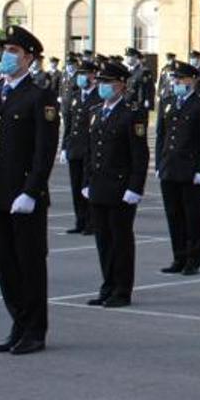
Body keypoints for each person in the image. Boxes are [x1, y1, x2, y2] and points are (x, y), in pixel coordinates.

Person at [0, 26, 60, 355]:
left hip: (23, 195)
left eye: (13, 51)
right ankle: (17, 323)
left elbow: (44, 150)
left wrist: (32, 191)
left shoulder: (40, 96)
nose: (6, 56)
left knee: (30, 263)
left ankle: (35, 330)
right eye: (4, 50)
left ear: (29, 58)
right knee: (5, 264)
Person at [82, 62, 149, 308]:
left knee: (120, 240)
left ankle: (122, 289)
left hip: (121, 188)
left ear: (121, 84)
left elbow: (139, 155)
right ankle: (107, 285)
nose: (103, 86)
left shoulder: (132, 114)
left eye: (108, 82)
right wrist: (86, 181)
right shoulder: (96, 111)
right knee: (103, 240)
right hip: (99, 186)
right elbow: (91, 151)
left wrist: (135, 187)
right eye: (100, 82)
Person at [156, 62, 200, 276]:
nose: (176, 83)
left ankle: (194, 258)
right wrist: (159, 164)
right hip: (169, 167)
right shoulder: (168, 102)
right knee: (173, 215)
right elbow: (161, 136)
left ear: (192, 80)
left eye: (180, 79)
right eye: (175, 79)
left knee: (192, 216)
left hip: (190, 170)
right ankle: (178, 256)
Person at [59, 60, 100, 235]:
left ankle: (92, 222)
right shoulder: (75, 97)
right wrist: (64, 147)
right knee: (76, 187)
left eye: (85, 73)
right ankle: (80, 221)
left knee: (88, 187)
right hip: (75, 148)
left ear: (93, 75)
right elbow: (68, 124)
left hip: (90, 149)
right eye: (80, 74)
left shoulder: (98, 97)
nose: (82, 77)